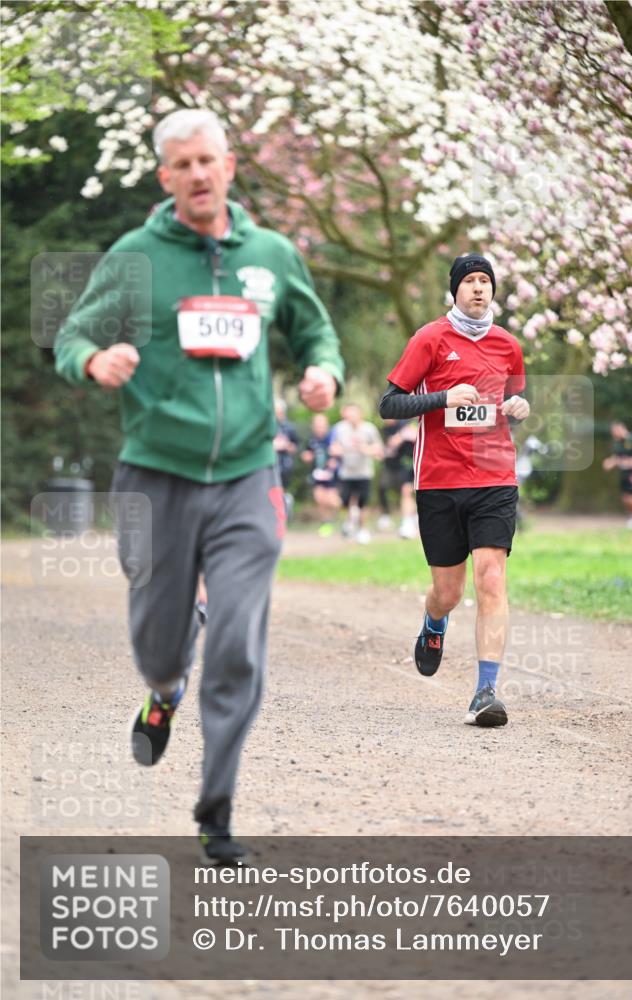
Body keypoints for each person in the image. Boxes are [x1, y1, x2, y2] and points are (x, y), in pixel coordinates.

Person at [54, 109, 344, 863]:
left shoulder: (272, 255)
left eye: (208, 160)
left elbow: (314, 332)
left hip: (249, 476)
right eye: (182, 164)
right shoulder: (135, 256)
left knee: (239, 643)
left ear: (229, 165)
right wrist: (93, 360)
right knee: (159, 642)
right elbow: (73, 331)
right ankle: (161, 691)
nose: (198, 174)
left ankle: (217, 810)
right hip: (155, 475)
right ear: (165, 177)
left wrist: (323, 372)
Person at [379, 253, 529, 727]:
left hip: (494, 478)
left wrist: (519, 407)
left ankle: (486, 691)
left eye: (486, 281)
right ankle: (434, 622)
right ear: (455, 290)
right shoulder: (429, 338)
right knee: (448, 590)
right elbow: (389, 404)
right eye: (470, 281)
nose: (479, 288)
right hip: (439, 482)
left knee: (491, 579)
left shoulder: (508, 345)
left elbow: (509, 401)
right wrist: (443, 397)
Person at [330, 403, 384, 544]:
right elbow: (333, 447)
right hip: (346, 472)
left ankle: (363, 530)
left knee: (362, 503)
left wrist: (367, 449)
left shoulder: (369, 429)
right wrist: (336, 451)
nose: (350, 417)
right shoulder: (340, 428)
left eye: (353, 414)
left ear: (360, 414)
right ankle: (350, 525)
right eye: (348, 414)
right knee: (346, 501)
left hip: (364, 472)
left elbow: (379, 450)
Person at [602, 421, 632, 529]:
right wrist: (609, 463)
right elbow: (617, 458)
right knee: (624, 497)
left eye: (614, 431)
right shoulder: (618, 443)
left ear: (621, 428)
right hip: (623, 473)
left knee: (629, 496)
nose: (613, 434)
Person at [300, 413, 341, 535]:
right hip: (318, 474)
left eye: (321, 425)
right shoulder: (312, 439)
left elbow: (340, 453)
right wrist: (307, 457)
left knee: (333, 501)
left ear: (326, 425)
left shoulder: (332, 437)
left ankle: (348, 515)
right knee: (319, 499)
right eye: (317, 425)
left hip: (332, 475)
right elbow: (306, 453)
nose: (319, 427)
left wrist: (335, 458)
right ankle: (326, 522)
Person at [377, 419, 419, 538]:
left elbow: (416, 435)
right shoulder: (387, 429)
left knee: (416, 493)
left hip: (418, 463)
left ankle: (413, 519)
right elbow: (390, 445)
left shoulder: (408, 422)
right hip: (405, 465)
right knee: (406, 491)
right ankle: (407, 523)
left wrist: (402, 436)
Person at [273, 398, 300, 518]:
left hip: (285, 463)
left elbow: (296, 446)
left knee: (281, 487)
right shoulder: (269, 426)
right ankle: (276, 512)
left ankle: (284, 508)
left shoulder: (290, 428)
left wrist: (287, 446)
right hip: (271, 462)